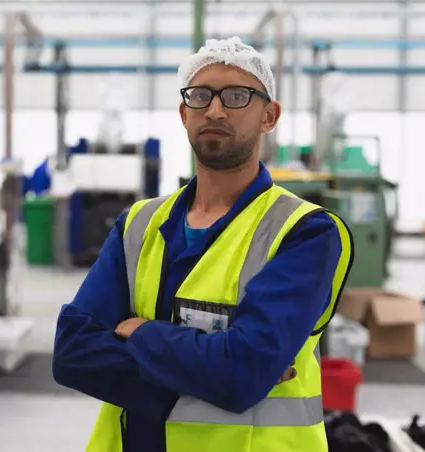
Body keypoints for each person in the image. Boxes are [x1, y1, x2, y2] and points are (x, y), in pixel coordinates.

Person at [52, 36, 354, 452]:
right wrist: (211, 369)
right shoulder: (138, 224)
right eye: (200, 95)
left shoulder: (305, 232)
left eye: (236, 95)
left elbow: (243, 372)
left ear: (269, 116)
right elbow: (72, 351)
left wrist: (141, 334)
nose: (214, 109)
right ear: (183, 113)